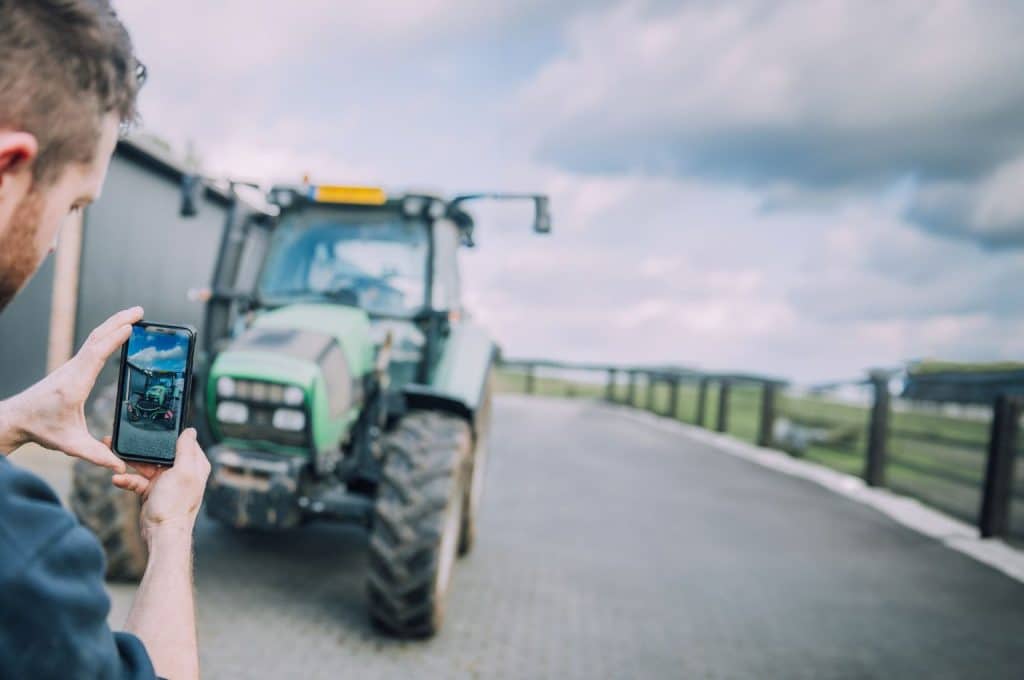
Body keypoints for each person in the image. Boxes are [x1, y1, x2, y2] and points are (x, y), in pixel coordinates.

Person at [0, 2, 210, 678]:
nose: (55, 242)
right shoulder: (24, 558)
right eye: (72, 206)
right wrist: (171, 530)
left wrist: (11, 421)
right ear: (9, 167)